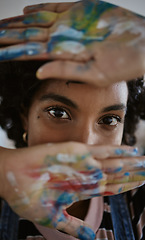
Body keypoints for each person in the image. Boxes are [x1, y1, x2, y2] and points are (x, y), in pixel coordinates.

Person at [0, 1, 145, 240]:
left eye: (109, 119)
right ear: (25, 116)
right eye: (58, 113)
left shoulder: (137, 202)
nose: (83, 144)